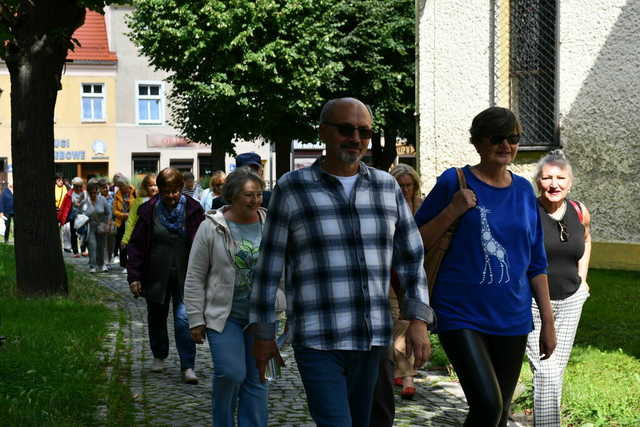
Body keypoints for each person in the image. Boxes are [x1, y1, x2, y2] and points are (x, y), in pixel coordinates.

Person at [249, 97, 433, 427]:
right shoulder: (293, 188)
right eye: (346, 129)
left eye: (364, 131)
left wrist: (417, 319)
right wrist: (264, 333)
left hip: (372, 336)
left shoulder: (385, 186)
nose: (356, 138)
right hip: (318, 337)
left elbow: (410, 256)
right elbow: (268, 265)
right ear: (323, 131)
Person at [415, 106, 556, 427]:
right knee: (488, 405)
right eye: (497, 138)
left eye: (513, 138)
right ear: (478, 142)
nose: (506, 145)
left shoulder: (523, 190)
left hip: (512, 317)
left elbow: (536, 261)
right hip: (460, 313)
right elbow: (415, 242)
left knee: (500, 414)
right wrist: (452, 210)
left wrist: (547, 322)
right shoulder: (455, 181)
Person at [185, 168, 279, 427]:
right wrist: (195, 318)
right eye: (249, 195)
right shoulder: (211, 227)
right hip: (224, 315)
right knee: (231, 373)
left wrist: (286, 301)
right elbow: (194, 275)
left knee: (258, 378)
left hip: (262, 316)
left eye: (259, 194)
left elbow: (285, 268)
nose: (256, 200)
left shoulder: (271, 225)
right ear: (233, 196)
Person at [526, 150, 591, 426]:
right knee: (546, 371)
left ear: (570, 183)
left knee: (554, 370)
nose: (554, 184)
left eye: (560, 178)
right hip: (531, 302)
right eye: (547, 177)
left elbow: (586, 240)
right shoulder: (528, 210)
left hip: (570, 301)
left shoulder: (579, 211)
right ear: (538, 181)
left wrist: (583, 281)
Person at [127, 168, 204, 384]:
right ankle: (159, 354)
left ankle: (188, 365)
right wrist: (134, 276)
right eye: (166, 192)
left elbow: (203, 243)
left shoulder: (193, 210)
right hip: (156, 273)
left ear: (181, 189)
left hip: (186, 273)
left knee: (184, 318)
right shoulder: (148, 211)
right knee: (157, 316)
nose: (171, 196)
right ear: (159, 191)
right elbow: (136, 246)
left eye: (175, 191)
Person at [388, 164, 424, 399]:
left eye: (408, 185)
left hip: (412, 275)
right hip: (388, 274)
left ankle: (403, 371)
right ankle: (406, 374)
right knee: (397, 321)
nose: (404, 190)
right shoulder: (385, 207)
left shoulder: (422, 208)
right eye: (400, 186)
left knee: (409, 322)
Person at [121, 174, 158, 249]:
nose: (153, 188)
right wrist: (125, 239)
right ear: (145, 187)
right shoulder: (138, 201)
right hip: (141, 238)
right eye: (150, 185)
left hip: (157, 239)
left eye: (155, 185)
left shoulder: (162, 200)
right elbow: (131, 221)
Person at [83, 179, 110, 273]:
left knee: (101, 246)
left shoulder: (102, 199)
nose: (94, 195)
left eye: (95, 192)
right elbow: (81, 213)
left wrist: (107, 223)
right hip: (90, 226)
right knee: (92, 246)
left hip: (101, 225)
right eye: (92, 193)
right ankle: (92, 266)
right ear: (88, 192)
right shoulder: (86, 201)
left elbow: (108, 212)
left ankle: (102, 264)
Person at [57, 177, 88, 257]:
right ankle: (75, 252)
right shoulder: (69, 194)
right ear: (73, 186)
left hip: (83, 216)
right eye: (76, 186)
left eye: (80, 186)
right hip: (73, 216)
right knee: (73, 234)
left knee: (84, 233)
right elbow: (64, 207)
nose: (78, 188)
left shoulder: (84, 194)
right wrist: (60, 218)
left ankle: (83, 250)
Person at [113, 176, 137, 270]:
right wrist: (123, 215)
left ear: (126, 185)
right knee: (122, 243)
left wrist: (130, 202)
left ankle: (132, 263)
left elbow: (138, 204)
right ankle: (124, 265)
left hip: (132, 222)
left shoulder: (134, 192)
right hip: (121, 222)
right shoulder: (117, 194)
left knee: (132, 243)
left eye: (121, 186)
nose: (120, 188)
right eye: (119, 186)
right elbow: (114, 211)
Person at [97, 177, 116, 269]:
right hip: (102, 223)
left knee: (111, 244)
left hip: (112, 223)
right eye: (103, 187)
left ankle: (109, 260)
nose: (106, 189)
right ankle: (105, 263)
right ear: (100, 189)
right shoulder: (98, 198)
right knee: (103, 244)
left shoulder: (113, 196)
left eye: (106, 186)